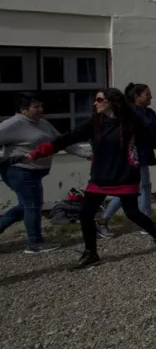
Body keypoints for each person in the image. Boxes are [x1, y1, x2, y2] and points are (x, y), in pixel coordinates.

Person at [23, 88, 156, 269]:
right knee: (85, 213)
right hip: (100, 177)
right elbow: (66, 139)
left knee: (132, 213)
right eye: (95, 100)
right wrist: (36, 153)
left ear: (112, 101)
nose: (95, 103)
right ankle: (91, 253)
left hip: (125, 175)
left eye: (99, 99)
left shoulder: (131, 124)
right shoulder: (94, 123)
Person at [0, 92, 89, 254]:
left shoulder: (43, 123)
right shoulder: (12, 124)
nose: (40, 109)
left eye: (41, 106)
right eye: (36, 107)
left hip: (34, 172)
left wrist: (88, 154)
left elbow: (61, 142)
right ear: (23, 109)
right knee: (33, 205)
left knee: (24, 206)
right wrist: (12, 159)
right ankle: (35, 243)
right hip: (19, 172)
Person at [96, 82, 156, 239]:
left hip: (144, 153)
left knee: (129, 190)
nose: (150, 97)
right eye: (147, 94)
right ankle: (147, 223)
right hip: (133, 155)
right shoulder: (130, 113)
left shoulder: (149, 112)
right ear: (137, 96)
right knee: (143, 187)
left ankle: (103, 220)